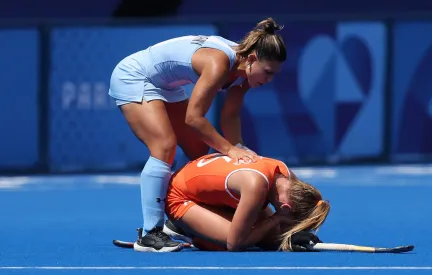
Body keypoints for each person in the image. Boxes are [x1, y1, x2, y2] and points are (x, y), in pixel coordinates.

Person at [107, 18, 287, 252]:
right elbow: (194, 118)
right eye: (268, 72)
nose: (269, 80)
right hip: (134, 75)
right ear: (252, 59)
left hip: (167, 86)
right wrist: (230, 150)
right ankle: (150, 234)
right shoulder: (219, 63)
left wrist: (240, 149)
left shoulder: (244, 76)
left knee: (198, 151)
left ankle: (176, 221)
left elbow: (230, 117)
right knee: (164, 146)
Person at [161, 153, 330, 252]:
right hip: (179, 195)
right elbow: (235, 244)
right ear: (286, 208)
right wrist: (276, 220)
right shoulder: (256, 186)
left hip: (206, 189)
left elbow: (279, 234)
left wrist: (290, 237)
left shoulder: (288, 177)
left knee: (269, 236)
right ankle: (186, 228)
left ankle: (197, 224)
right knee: (240, 239)